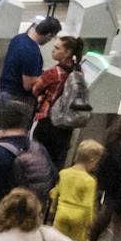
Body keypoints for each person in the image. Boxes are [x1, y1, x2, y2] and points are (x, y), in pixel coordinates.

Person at [0, 101, 55, 227]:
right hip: (30, 212)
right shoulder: (38, 147)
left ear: (1, 121)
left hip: (1, 214)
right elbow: (54, 177)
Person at [32, 35, 84, 166]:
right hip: (65, 125)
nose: (53, 50)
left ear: (67, 53)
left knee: (38, 160)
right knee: (55, 162)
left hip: (48, 122)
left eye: (57, 48)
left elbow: (35, 89)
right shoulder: (78, 70)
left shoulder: (54, 73)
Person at [51, 139, 101, 241]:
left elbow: (54, 194)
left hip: (62, 212)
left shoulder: (63, 173)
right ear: (92, 160)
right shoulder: (90, 181)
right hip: (79, 217)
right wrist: (90, 223)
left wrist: (53, 210)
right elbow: (88, 205)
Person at [0, 16, 58, 105]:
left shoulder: (19, 38)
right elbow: (28, 85)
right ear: (49, 35)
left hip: (4, 90)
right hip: (17, 98)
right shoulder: (32, 52)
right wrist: (48, 78)